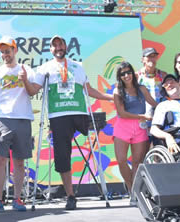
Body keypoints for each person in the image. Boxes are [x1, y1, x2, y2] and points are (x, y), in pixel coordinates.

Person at [23, 35, 113, 210]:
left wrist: (111, 97)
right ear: (50, 49)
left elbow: (89, 89)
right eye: (54, 45)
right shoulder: (45, 68)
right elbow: (33, 91)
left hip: (79, 113)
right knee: (63, 155)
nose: (58, 47)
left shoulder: (77, 66)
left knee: (93, 148)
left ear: (65, 46)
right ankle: (71, 196)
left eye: (61, 44)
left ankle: (103, 191)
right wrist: (25, 80)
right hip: (59, 115)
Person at [0, 36, 36, 213]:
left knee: (19, 162)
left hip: (23, 119)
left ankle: (18, 198)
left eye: (8, 50)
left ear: (15, 50)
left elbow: (33, 92)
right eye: (2, 51)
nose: (5, 54)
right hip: (3, 119)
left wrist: (25, 80)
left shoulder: (26, 69)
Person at [113, 61, 157, 205]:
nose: (126, 75)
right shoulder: (117, 91)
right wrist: (142, 116)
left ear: (133, 73)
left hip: (140, 128)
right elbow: (122, 113)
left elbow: (154, 103)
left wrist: (170, 105)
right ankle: (132, 188)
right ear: (119, 77)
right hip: (123, 127)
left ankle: (135, 193)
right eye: (123, 73)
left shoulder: (142, 89)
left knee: (137, 162)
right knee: (121, 160)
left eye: (128, 72)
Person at [136, 48, 167, 147]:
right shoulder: (137, 76)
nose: (152, 59)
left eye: (154, 56)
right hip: (143, 119)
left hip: (160, 118)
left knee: (160, 148)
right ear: (143, 59)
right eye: (149, 56)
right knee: (142, 152)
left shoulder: (163, 75)